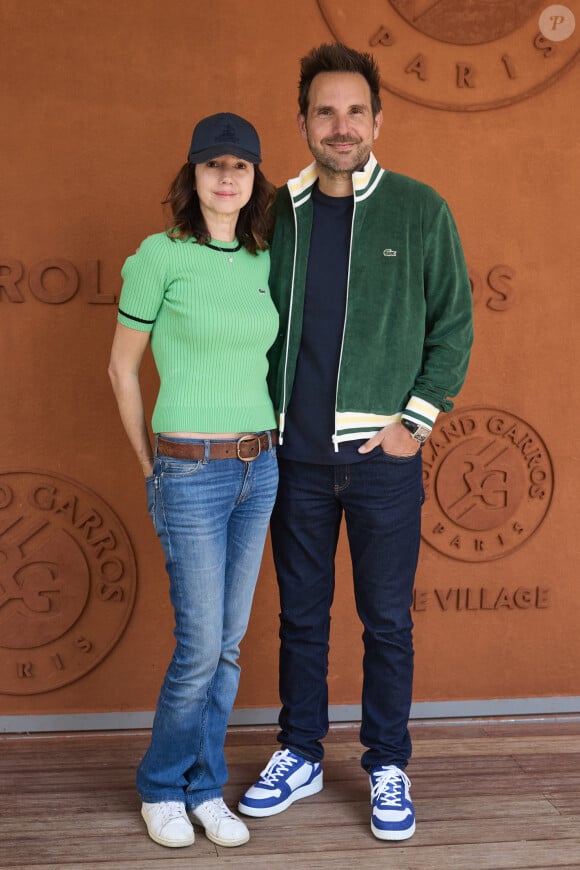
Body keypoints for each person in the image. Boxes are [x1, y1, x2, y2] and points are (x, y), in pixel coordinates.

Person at [238, 44, 473, 841]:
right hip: (292, 459)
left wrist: (415, 423)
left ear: (379, 119)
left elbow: (455, 326)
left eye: (355, 111)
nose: (341, 126)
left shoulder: (419, 207)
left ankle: (387, 765)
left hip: (381, 462)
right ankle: (300, 750)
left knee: (387, 621)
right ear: (302, 121)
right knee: (301, 617)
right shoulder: (274, 214)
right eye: (324, 112)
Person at [108, 113, 279, 850]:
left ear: (254, 181)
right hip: (189, 470)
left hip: (259, 466)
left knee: (230, 644)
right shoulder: (158, 256)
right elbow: (120, 368)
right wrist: (152, 467)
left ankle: (205, 787)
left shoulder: (267, 260)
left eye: (240, 166)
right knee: (200, 645)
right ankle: (160, 785)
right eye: (214, 165)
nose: (226, 177)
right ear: (193, 176)